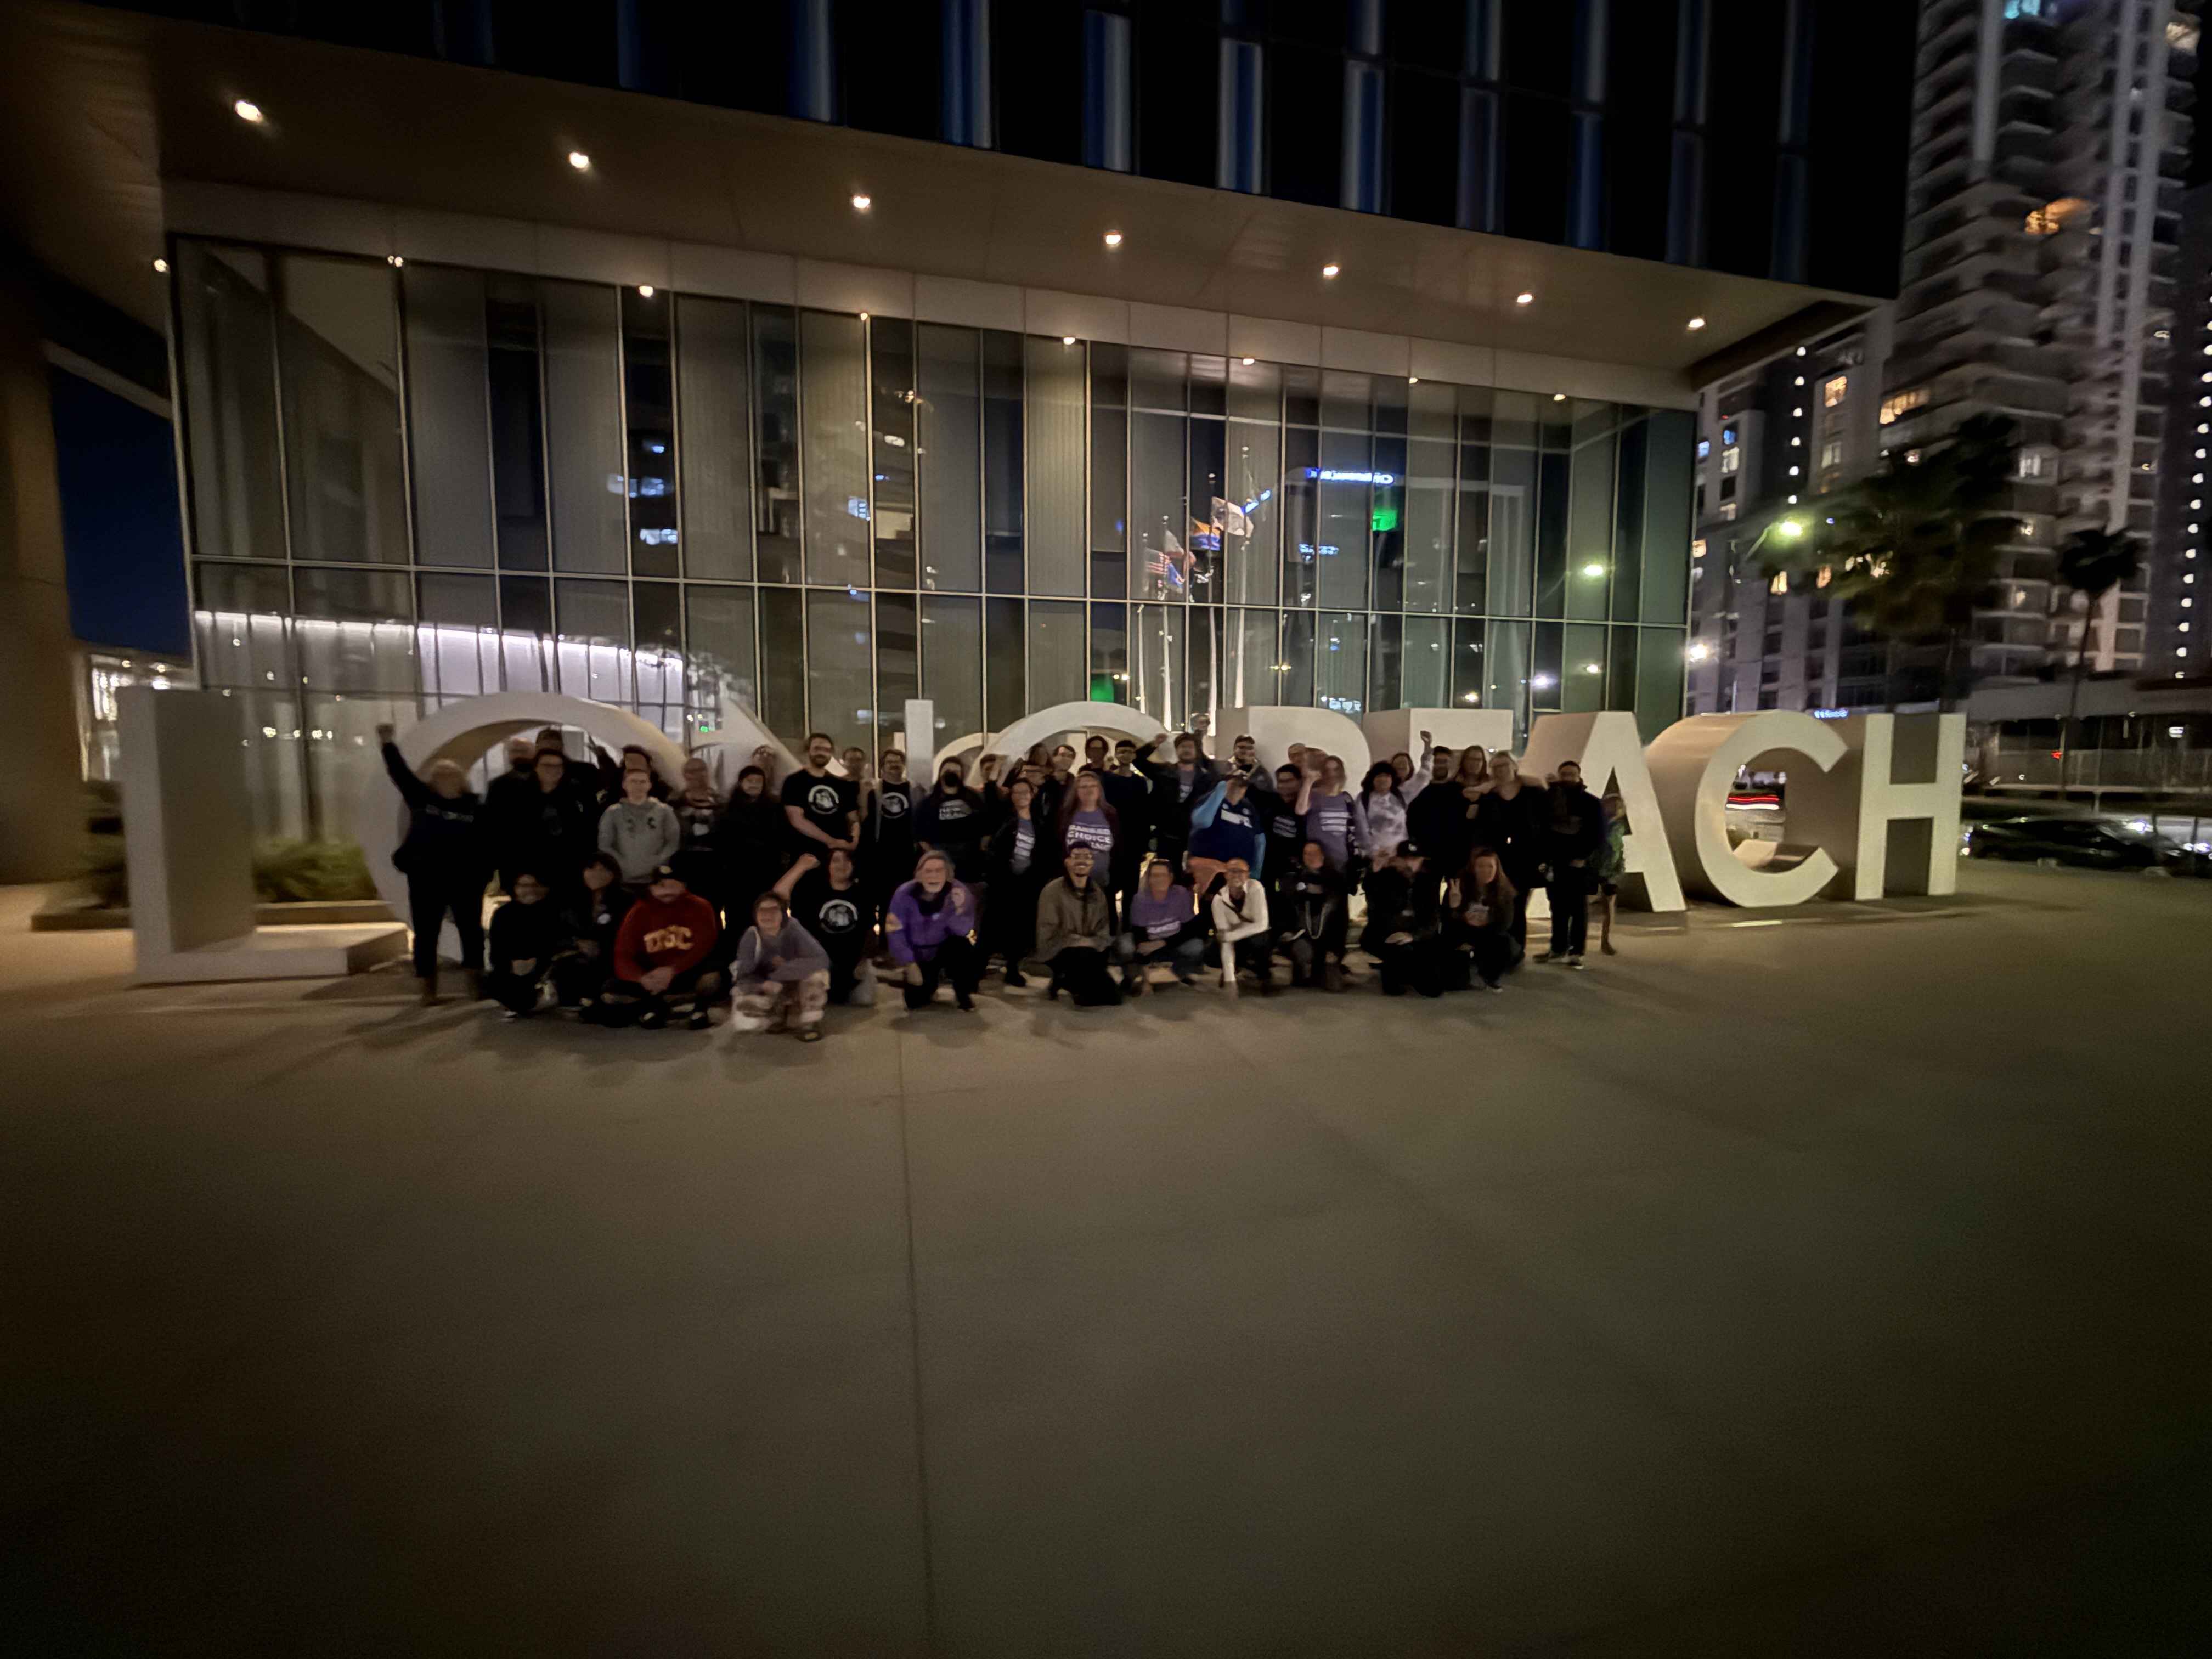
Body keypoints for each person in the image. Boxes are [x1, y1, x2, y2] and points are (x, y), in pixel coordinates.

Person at [377, 722, 491, 1005]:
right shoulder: (421, 798)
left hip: (465, 879)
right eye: (440, 774)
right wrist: (388, 744)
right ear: (432, 778)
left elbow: (488, 843)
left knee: (471, 931)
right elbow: (400, 775)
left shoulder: (474, 807)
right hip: (426, 878)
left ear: (461, 778)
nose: (445, 777)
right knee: (426, 933)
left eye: (451, 773)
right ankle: (428, 988)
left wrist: (485, 875)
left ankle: (474, 984)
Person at [598, 865, 722, 1029]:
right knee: (610, 993)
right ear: (651, 888)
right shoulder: (638, 912)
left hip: (685, 970)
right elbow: (623, 954)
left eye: (673, 885)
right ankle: (666, 1005)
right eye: (661, 885)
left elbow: (704, 945)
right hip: (651, 977)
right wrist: (642, 978)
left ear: (684, 886)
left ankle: (688, 1005)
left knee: (712, 977)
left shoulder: (700, 906)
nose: (667, 890)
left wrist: (673, 970)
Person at [774, 848, 876, 1006]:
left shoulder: (863, 893)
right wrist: (800, 867)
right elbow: (778, 895)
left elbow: (870, 932)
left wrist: (864, 960)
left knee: (864, 1000)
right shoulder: (813, 892)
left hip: (852, 967)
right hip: (819, 966)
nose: (841, 865)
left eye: (846, 860)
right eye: (836, 860)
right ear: (828, 866)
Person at [885, 849, 983, 1012]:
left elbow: (965, 931)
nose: (934, 876)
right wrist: (909, 963)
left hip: (944, 948)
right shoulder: (904, 894)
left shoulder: (959, 892)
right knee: (915, 1001)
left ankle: (963, 992)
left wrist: (957, 910)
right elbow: (894, 932)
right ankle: (930, 983)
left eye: (939, 871)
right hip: (917, 954)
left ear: (948, 874)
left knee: (964, 947)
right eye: (928, 871)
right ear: (919, 874)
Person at [728, 892, 832, 1041]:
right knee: (746, 1021)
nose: (768, 915)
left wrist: (780, 972)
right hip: (769, 986)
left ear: (783, 913)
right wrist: (763, 985)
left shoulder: (793, 928)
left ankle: (809, 1022)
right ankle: (779, 1014)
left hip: (794, 982)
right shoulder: (751, 937)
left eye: (774, 910)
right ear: (755, 914)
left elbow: (821, 959)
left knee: (817, 976)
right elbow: (742, 976)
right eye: (762, 911)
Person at [1471, 752, 1548, 945]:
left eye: (1504, 765)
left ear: (1514, 766)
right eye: (1495, 767)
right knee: (1498, 900)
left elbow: (1545, 821)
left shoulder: (1533, 792)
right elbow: (1482, 827)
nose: (1500, 770)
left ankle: (1517, 946)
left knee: (1519, 902)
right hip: (1497, 859)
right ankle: (1498, 945)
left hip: (1525, 856)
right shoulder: (1490, 797)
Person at [1539, 758, 1606, 968]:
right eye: (1564, 774)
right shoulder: (1550, 800)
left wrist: (1583, 858)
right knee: (1557, 908)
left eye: (1571, 774)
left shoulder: (1591, 803)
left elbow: (1598, 835)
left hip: (1579, 866)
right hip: (1555, 864)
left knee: (1578, 909)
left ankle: (1577, 952)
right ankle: (1558, 949)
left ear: (1579, 777)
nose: (1567, 778)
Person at [983, 774, 1047, 987]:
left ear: (1032, 795)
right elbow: (993, 850)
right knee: (992, 926)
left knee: (1020, 928)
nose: (1021, 796)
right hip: (1003, 882)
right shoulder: (1003, 818)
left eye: (1025, 792)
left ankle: (1013, 968)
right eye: (1017, 792)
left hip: (1027, 884)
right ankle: (977, 969)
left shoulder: (1039, 821)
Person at [1035, 845, 1121, 1005]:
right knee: (1087, 996)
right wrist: (1076, 941)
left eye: (1087, 856)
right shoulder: (1052, 891)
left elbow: (1104, 929)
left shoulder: (1098, 893)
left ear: (1092, 863)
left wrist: (1093, 943)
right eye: (1076, 856)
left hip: (1090, 950)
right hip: (1060, 951)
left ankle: (1068, 981)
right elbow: (1047, 931)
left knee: (1114, 997)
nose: (1082, 860)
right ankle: (1065, 979)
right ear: (1067, 862)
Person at [506, 746, 596, 898]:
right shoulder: (518, 795)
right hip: (531, 869)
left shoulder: (577, 792)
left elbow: (590, 828)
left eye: (558, 766)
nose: (553, 770)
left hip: (570, 869)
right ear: (535, 767)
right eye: (547, 765)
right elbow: (510, 835)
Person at [1361, 842, 1448, 996]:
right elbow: (1374, 901)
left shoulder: (1428, 882)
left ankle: (1403, 970)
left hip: (1416, 936)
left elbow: (1432, 919)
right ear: (1397, 860)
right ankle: (1396, 970)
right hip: (1388, 936)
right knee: (1395, 988)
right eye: (1406, 859)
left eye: (1415, 859)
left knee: (1434, 988)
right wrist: (1375, 871)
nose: (1410, 864)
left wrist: (1412, 936)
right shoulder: (1385, 878)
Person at [1135, 714, 1218, 876]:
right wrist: (1155, 744)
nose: (1186, 750)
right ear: (1177, 750)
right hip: (1167, 837)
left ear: (1196, 751)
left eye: (1190, 747)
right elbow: (1138, 760)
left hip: (1194, 839)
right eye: (1183, 747)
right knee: (1166, 876)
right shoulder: (1164, 771)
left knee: (1191, 880)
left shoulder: (1207, 778)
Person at [712, 764, 789, 927]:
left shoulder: (775, 809)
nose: (754, 784)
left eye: (758, 781)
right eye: (750, 781)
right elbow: (722, 842)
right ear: (741, 783)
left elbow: (781, 839)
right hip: (736, 875)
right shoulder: (727, 810)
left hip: (766, 873)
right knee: (738, 918)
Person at [553, 853, 631, 1012]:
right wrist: (578, 943)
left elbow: (629, 933)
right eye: (591, 869)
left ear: (613, 873)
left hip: (613, 954)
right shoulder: (570, 901)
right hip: (578, 953)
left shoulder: (626, 900)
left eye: (603, 870)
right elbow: (558, 932)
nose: (596, 874)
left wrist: (601, 945)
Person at [484, 871, 567, 1017]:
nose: (530, 890)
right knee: (499, 985)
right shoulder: (503, 914)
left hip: (544, 967)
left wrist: (536, 962)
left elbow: (557, 945)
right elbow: (497, 951)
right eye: (524, 886)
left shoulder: (554, 912)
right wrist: (511, 965)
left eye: (535, 885)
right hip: (514, 968)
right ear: (515, 888)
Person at [1118, 857, 1204, 994]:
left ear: (1171, 878)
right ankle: (1131, 976)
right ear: (1149, 878)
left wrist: (1162, 943)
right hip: (1148, 944)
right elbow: (1141, 937)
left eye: (1163, 875)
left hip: (1170, 943)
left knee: (1196, 946)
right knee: (1125, 945)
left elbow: (1189, 930)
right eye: (1155, 875)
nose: (1159, 879)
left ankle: (1180, 973)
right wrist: (1147, 984)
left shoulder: (1181, 895)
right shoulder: (1140, 900)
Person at [1274, 841, 1350, 991]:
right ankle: (1301, 968)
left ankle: (1325, 968)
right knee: (1302, 951)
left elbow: (1343, 919)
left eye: (1314, 853)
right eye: (1307, 853)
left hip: (1328, 939)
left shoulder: (1336, 880)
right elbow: (1284, 909)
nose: (1310, 857)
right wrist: (1286, 931)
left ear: (1323, 855)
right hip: (1303, 937)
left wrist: (1335, 949)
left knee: (1334, 987)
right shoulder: (1294, 879)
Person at [1448, 847, 1522, 991]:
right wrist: (1455, 907)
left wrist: (1483, 930)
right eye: (1481, 866)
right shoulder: (1460, 887)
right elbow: (1449, 922)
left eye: (1490, 866)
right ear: (1473, 868)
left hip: (1490, 934)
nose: (1485, 870)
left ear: (1497, 869)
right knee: (1455, 984)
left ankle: (1489, 975)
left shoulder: (1504, 891)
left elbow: (1505, 924)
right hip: (1464, 932)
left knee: (1508, 946)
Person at [781, 732, 860, 858]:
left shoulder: (842, 784)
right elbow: (797, 820)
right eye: (817, 748)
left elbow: (853, 818)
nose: (822, 753)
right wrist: (831, 842)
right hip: (808, 854)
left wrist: (854, 841)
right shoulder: (794, 781)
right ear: (808, 751)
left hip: (840, 855)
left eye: (826, 750)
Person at [598, 766, 681, 885]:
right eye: (633, 781)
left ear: (649, 785)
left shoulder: (664, 811)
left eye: (643, 782)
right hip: (622, 877)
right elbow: (605, 844)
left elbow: (673, 841)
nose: (638, 785)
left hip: (656, 877)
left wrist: (658, 860)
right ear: (624, 785)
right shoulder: (613, 812)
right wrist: (621, 862)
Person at [1187, 770, 1266, 893]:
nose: (1238, 788)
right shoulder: (1212, 798)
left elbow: (1260, 838)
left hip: (1240, 873)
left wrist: (1257, 869)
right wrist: (1220, 792)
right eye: (1234, 782)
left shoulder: (1249, 807)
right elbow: (1202, 822)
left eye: (1242, 785)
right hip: (1212, 870)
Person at [915, 758, 990, 884]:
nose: (952, 773)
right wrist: (935, 857)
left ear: (962, 775)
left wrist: (982, 850)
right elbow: (920, 836)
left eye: (956, 770)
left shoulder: (975, 797)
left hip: (971, 860)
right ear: (940, 774)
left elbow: (987, 826)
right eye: (948, 770)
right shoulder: (927, 802)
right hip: (941, 859)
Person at [1208, 856, 1275, 996]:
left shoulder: (1256, 888)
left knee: (1260, 939)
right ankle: (1235, 969)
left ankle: (1264, 975)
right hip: (1238, 942)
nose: (1236, 875)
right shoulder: (1219, 900)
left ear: (1248, 875)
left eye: (1241, 872)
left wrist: (1230, 936)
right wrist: (1230, 981)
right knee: (1211, 953)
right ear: (1226, 875)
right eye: (1232, 871)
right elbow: (1224, 939)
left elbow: (1262, 924)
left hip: (1256, 936)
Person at [1406, 736, 1465, 888]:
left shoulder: (1459, 791)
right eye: (1437, 762)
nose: (1440, 766)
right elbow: (1410, 821)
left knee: (1454, 901)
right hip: (1427, 857)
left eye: (1444, 762)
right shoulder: (1419, 792)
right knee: (1427, 902)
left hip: (1455, 856)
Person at [1294, 753, 1367, 877]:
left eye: (1335, 770)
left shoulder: (1346, 798)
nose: (1332, 774)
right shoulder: (1314, 795)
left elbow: (1354, 828)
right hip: (1317, 861)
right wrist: (1309, 781)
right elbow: (1300, 810)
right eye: (1327, 770)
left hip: (1342, 861)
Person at [866, 748, 918, 918]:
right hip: (881, 855)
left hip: (907, 854)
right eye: (890, 762)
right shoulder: (873, 791)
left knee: (907, 899)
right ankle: (883, 941)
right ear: (882, 767)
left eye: (898, 762)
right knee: (883, 901)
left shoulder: (914, 790)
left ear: (904, 765)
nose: (894, 765)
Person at [1100, 739, 1153, 909]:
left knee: (1132, 888)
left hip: (1133, 841)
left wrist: (1144, 844)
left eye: (1129, 752)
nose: (1125, 755)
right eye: (1121, 751)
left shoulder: (1140, 782)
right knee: (1110, 886)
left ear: (1134, 755)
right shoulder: (1107, 779)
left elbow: (1144, 813)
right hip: (1112, 840)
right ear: (1116, 754)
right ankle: (1111, 926)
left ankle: (1129, 927)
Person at [1054, 769, 1120, 871]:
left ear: (1099, 790)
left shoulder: (1110, 814)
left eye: (1093, 786)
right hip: (1071, 878)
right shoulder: (1066, 813)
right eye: (1084, 787)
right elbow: (1058, 846)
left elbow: (1117, 849)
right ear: (1076, 791)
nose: (1089, 790)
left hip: (1102, 880)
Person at [1259, 764, 1307, 893]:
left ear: (1299, 782)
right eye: (1281, 781)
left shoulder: (1306, 804)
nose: (1284, 785)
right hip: (1268, 865)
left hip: (1295, 868)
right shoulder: (1269, 800)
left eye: (1289, 781)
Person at [1355, 761, 1408, 865]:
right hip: (1376, 856)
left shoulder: (1399, 797)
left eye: (1387, 776)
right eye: (1379, 776)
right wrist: (1375, 851)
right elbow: (1361, 828)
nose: (1383, 779)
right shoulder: (1364, 799)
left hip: (1401, 855)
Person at [1595, 790, 1628, 957]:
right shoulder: (1600, 825)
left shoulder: (1618, 826)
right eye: (1612, 805)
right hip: (1595, 870)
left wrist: (1619, 869)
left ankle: (1605, 941)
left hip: (1610, 872)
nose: (1615, 808)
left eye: (1618, 805)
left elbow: (1617, 850)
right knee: (1581, 907)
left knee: (1608, 908)